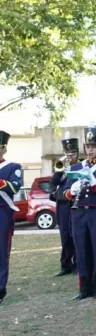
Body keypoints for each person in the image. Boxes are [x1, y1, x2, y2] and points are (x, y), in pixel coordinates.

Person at [65, 127, 96, 300]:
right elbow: (64, 192)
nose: (90, 149)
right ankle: (84, 288)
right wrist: (71, 191)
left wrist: (95, 183)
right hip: (79, 213)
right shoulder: (78, 166)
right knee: (81, 250)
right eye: (88, 146)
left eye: (94, 146)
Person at [49, 133, 79, 276]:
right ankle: (65, 264)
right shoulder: (61, 167)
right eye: (67, 154)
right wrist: (59, 168)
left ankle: (78, 263)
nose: (69, 157)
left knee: (76, 234)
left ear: (77, 153)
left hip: (74, 203)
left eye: (72, 154)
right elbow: (54, 183)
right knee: (65, 235)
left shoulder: (81, 166)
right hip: (62, 204)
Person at [0, 130, 22, 303]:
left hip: (3, 212)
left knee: (1, 251)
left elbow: (14, 187)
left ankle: (0, 287)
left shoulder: (12, 167)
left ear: (3, 149)